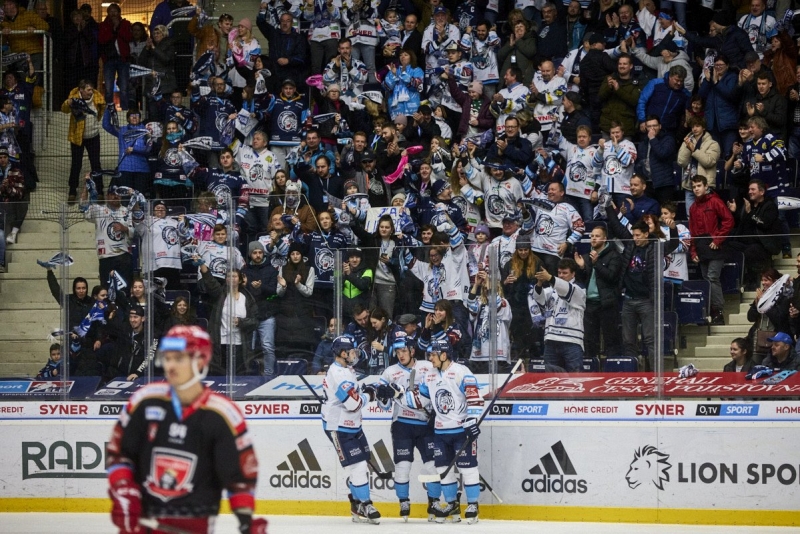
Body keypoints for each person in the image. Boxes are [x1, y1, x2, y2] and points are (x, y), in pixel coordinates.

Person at [105, 325, 267, 534]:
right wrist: (123, 489)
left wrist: (245, 520)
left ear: (200, 361)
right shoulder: (144, 402)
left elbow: (239, 476)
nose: (170, 365)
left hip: (195, 523)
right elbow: (119, 454)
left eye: (179, 359)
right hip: (143, 522)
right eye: (168, 358)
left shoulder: (222, 414)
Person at [415, 338, 483, 523]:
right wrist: (397, 394)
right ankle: (452, 503)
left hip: (461, 430)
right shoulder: (429, 375)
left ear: (444, 355)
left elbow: (475, 399)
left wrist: (472, 421)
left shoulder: (461, 372)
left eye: (434, 354)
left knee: (468, 467)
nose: (430, 358)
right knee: (442, 468)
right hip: (440, 432)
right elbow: (420, 399)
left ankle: (472, 505)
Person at [374, 331, 439, 520]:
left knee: (432, 465)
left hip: (426, 424)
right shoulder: (389, 372)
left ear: (412, 350)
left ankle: (433, 502)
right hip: (402, 424)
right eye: (397, 351)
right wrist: (383, 396)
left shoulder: (428, 367)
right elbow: (383, 405)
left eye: (404, 350)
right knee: (403, 466)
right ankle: (403, 501)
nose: (400, 354)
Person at [607, 208, 679, 370]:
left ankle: (656, 376)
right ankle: (632, 376)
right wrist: (608, 208)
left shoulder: (656, 247)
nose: (635, 238)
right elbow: (618, 228)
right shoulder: (631, 245)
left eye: (638, 235)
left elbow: (673, 244)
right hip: (628, 300)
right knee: (628, 341)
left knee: (650, 340)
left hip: (647, 300)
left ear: (646, 234)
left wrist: (673, 229)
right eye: (634, 235)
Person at [322, 334, 381, 524]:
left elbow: (360, 360)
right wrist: (372, 394)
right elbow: (353, 404)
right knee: (358, 466)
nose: (355, 354)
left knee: (360, 464)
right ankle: (366, 503)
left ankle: (356, 504)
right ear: (342, 353)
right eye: (352, 351)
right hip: (338, 426)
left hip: (353, 425)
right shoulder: (337, 375)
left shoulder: (345, 366)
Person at [689, 175, 735, 326]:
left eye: (699, 186)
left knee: (712, 277)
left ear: (706, 186)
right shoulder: (693, 208)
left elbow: (729, 220)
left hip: (716, 246)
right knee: (706, 279)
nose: (696, 189)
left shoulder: (715, 201)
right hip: (701, 247)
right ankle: (710, 312)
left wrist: (718, 239)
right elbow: (692, 232)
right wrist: (693, 252)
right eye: (694, 186)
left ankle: (719, 312)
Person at [574, 224, 623, 359]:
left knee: (610, 340)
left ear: (605, 238)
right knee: (589, 340)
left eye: (597, 236)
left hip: (607, 303)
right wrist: (582, 268)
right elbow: (581, 281)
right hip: (589, 304)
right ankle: (592, 370)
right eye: (592, 236)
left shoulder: (614, 256)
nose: (593, 239)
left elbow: (611, 276)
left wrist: (596, 263)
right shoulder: (586, 256)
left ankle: (612, 371)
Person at [200, 264, 258, 376]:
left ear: (240, 280)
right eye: (229, 276)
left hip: (240, 344)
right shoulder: (220, 294)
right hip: (221, 343)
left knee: (239, 377)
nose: (231, 278)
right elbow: (210, 282)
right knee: (220, 376)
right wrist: (201, 264)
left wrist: (241, 322)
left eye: (234, 276)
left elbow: (255, 321)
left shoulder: (247, 297)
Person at [532, 259, 586, 372]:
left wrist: (551, 278)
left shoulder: (580, 289)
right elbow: (538, 299)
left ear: (573, 273)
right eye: (559, 273)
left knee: (576, 381)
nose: (561, 276)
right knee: (551, 381)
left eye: (565, 273)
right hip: (551, 340)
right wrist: (540, 283)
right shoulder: (552, 289)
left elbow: (566, 290)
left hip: (571, 340)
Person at [726, 179, 782, 288]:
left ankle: (752, 282)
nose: (750, 192)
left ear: (761, 192)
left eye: (753, 189)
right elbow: (740, 224)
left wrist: (750, 213)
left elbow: (764, 224)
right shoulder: (748, 205)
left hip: (763, 245)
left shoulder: (770, 206)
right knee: (729, 246)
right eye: (749, 189)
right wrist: (734, 212)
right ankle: (733, 283)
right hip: (745, 242)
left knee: (751, 251)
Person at [80, 179, 134, 289]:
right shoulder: (99, 210)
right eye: (112, 194)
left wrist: (124, 228)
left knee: (125, 289)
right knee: (106, 289)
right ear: (107, 196)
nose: (115, 196)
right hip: (106, 257)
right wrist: (86, 187)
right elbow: (83, 207)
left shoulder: (127, 212)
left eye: (118, 194)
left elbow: (135, 232)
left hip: (123, 256)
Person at [242, 241, 280, 377]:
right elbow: (241, 293)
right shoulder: (244, 271)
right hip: (250, 316)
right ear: (250, 254)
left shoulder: (271, 270)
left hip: (266, 315)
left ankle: (269, 375)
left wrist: (261, 287)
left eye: (260, 252)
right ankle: (249, 374)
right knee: (248, 348)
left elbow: (275, 292)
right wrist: (247, 286)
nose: (258, 255)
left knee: (268, 347)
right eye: (254, 252)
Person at [63, 80, 105, 202]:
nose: (90, 92)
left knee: (96, 164)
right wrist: (68, 102)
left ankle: (100, 191)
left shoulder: (97, 97)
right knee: (76, 164)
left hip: (93, 136)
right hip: (77, 137)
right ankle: (72, 191)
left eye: (91, 89)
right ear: (81, 90)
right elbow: (64, 109)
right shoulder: (74, 97)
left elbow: (101, 110)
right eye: (88, 90)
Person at [467, 267, 512, 373]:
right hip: (480, 354)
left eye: (489, 286)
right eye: (485, 286)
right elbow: (470, 305)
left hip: (498, 354)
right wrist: (476, 284)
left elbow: (495, 305)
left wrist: (488, 281)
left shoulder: (504, 302)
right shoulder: (479, 302)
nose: (486, 287)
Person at [748, 269, 792, 364]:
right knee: (756, 368)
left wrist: (764, 304)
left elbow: (779, 319)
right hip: (758, 339)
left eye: (766, 280)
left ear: (775, 282)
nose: (763, 283)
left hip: (776, 340)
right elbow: (750, 318)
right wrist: (757, 305)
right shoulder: (762, 296)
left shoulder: (784, 297)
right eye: (762, 280)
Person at [677, 116, 721, 212]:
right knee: (690, 216)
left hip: (705, 186)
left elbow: (709, 162)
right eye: (692, 126)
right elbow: (681, 162)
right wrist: (687, 146)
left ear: (703, 127)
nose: (694, 129)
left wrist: (694, 149)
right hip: (690, 185)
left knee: (706, 216)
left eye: (697, 126)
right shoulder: (687, 141)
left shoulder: (712, 144)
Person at [97, 3, 133, 110]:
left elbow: (128, 38)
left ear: (119, 13)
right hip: (109, 60)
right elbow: (102, 40)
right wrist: (113, 29)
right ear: (107, 13)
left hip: (123, 60)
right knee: (108, 88)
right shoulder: (103, 26)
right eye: (110, 11)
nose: (113, 13)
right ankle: (109, 110)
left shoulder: (126, 24)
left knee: (124, 87)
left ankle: (124, 110)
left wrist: (118, 27)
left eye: (115, 11)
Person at [636, 116, 676, 207]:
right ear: (646, 127)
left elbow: (662, 154)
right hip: (648, 184)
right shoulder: (643, 143)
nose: (652, 128)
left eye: (655, 125)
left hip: (664, 184)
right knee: (649, 214)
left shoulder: (668, 139)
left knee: (665, 214)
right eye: (649, 126)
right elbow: (640, 162)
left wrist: (653, 139)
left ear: (660, 126)